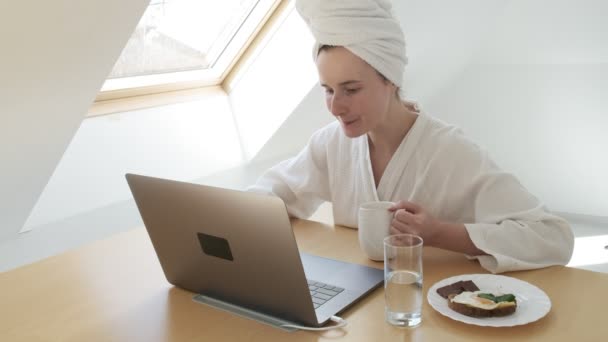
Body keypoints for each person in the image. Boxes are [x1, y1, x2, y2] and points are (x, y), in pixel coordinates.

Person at [248, 0, 574, 273]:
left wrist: (439, 234)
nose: (336, 106)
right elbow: (275, 193)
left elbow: (552, 237)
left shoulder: (450, 152)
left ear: (389, 79)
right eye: (328, 90)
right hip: (360, 309)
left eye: (351, 89)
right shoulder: (331, 144)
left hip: (432, 308)